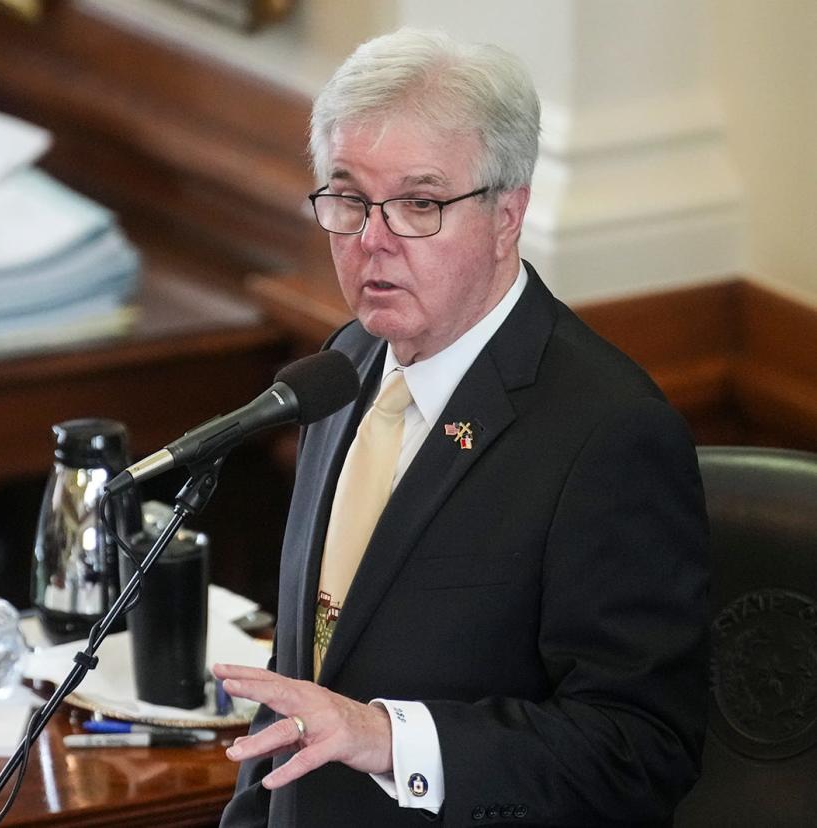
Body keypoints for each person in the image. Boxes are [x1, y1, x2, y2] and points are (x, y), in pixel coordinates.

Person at [214, 27, 709, 827]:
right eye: (348, 199)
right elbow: (302, 672)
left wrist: (392, 738)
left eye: (419, 203)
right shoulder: (342, 366)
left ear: (507, 216)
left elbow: (638, 750)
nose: (372, 241)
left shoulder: (609, 434)